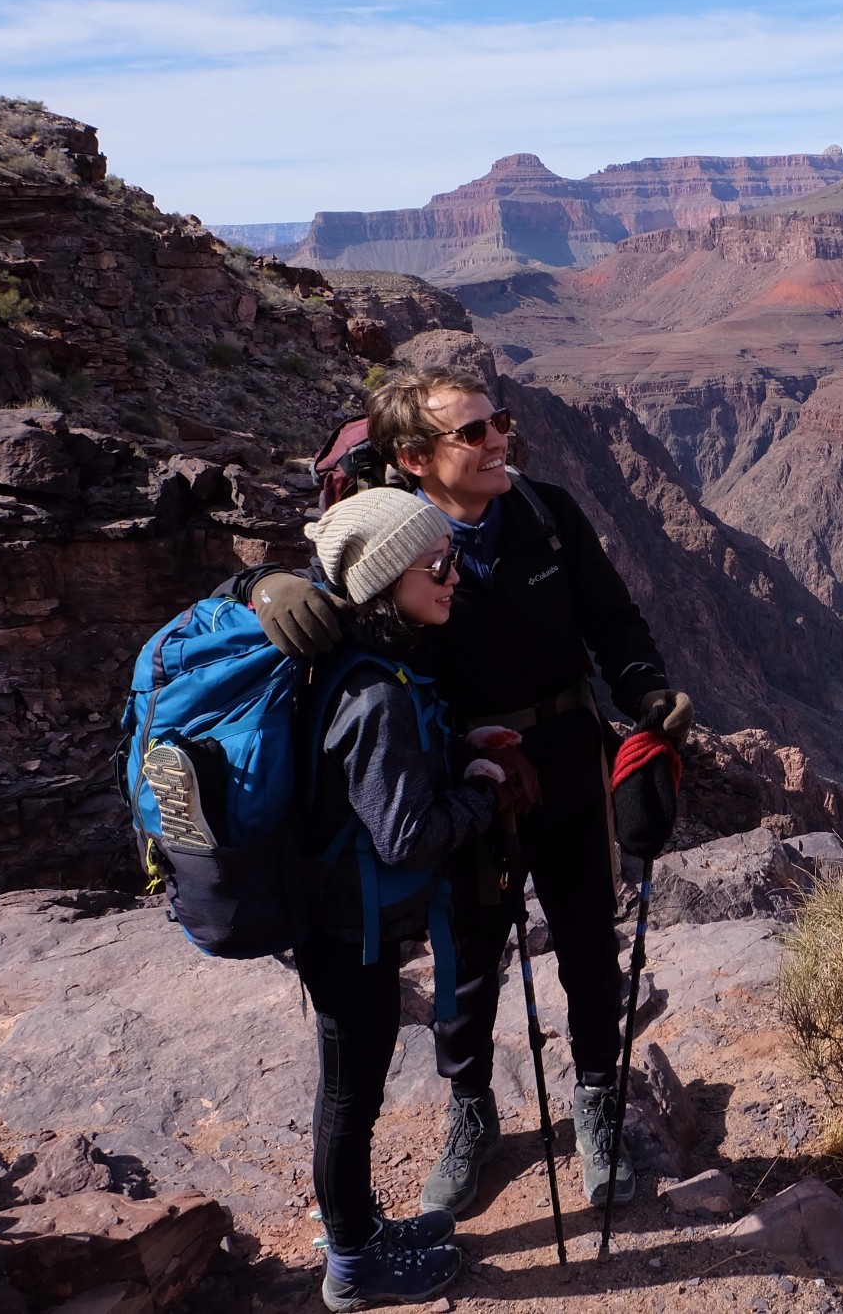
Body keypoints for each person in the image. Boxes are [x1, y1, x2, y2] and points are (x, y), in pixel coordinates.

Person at [246, 366, 693, 1213]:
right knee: (468, 965)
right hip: (464, 779)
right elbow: (300, 600)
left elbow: (614, 620)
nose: (500, 442)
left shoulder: (546, 514)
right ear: (414, 458)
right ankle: (471, 1113)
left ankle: (597, 1101)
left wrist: (647, 691)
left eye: (503, 422)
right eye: (475, 433)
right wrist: (263, 588)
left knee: (591, 944)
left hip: (565, 759)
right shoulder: (384, 539)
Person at [289, 487, 500, 1311]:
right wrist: (481, 795)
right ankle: (352, 1262)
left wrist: (457, 751)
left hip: (340, 919)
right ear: (385, 577)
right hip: (347, 932)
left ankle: (360, 1228)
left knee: (352, 1085)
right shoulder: (374, 696)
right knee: (349, 1092)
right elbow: (405, 835)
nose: (453, 576)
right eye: (437, 564)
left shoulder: (352, 662)